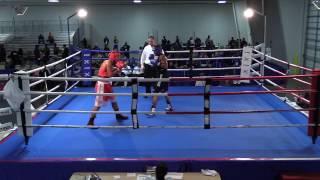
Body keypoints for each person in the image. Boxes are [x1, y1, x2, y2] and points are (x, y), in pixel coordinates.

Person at [87, 48, 128, 126]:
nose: (118, 59)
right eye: (117, 58)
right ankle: (90, 121)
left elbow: (110, 70)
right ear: (114, 58)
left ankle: (118, 115)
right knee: (98, 104)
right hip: (102, 85)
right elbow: (109, 75)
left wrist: (118, 67)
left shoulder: (106, 61)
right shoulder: (108, 63)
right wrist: (119, 69)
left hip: (107, 84)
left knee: (113, 100)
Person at [148, 45, 173, 116]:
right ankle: (170, 106)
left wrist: (156, 64)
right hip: (163, 76)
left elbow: (165, 66)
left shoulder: (162, 57)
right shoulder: (160, 56)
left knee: (156, 92)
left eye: (155, 50)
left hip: (161, 77)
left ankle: (153, 110)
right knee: (165, 92)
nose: (154, 52)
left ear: (158, 50)